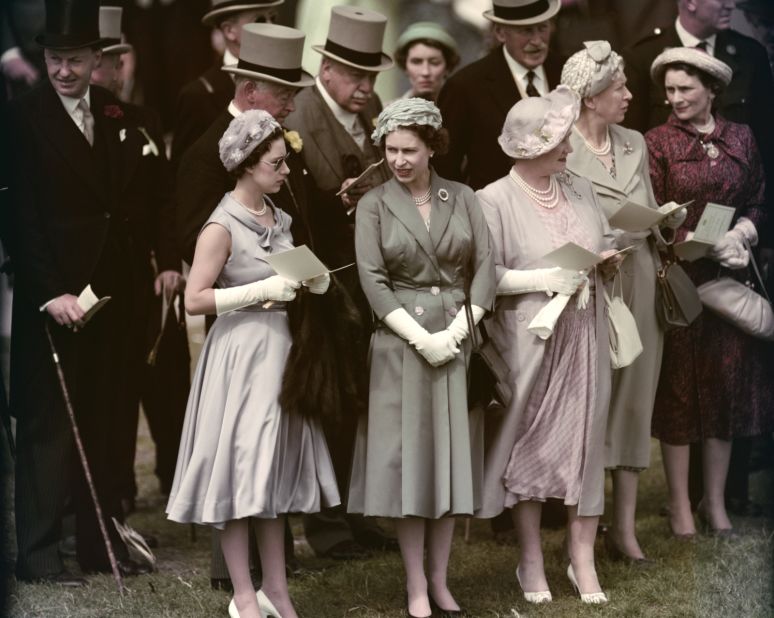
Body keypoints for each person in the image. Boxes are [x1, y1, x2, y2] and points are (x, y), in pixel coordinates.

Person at [166, 109, 339, 618]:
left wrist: (310, 279)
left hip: (282, 352)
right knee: (240, 472)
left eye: (285, 162)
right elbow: (195, 300)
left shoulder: (279, 217)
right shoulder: (219, 227)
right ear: (246, 165)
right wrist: (261, 289)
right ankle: (243, 592)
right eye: (276, 164)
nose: (286, 172)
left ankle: (277, 589)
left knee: (271, 474)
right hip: (240, 355)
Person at [6, 0, 155, 583]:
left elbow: (122, 206)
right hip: (54, 299)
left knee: (104, 422)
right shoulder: (21, 116)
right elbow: (20, 216)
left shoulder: (116, 114)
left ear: (98, 58)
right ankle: (39, 555)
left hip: (107, 301)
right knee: (47, 428)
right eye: (53, 59)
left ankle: (98, 545)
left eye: (73, 59)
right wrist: (51, 293)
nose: (63, 71)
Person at [174, 22, 315, 590]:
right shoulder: (210, 155)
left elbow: (294, 226)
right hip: (236, 332)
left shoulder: (278, 173)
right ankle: (233, 579)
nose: (289, 100)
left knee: (271, 455)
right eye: (282, 89)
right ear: (250, 86)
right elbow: (195, 246)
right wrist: (258, 281)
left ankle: (275, 578)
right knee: (234, 451)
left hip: (279, 336)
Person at [348, 97, 495, 618]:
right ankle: (414, 585)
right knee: (411, 466)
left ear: (433, 147)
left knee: (449, 463)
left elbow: (485, 268)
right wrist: (419, 337)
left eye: (409, 149)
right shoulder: (374, 204)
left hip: (456, 337)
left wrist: (456, 332)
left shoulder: (463, 197)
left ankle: (440, 579)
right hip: (401, 345)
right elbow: (372, 280)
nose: (399, 160)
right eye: (390, 150)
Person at [476, 86, 617, 605]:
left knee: (586, 442)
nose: (570, 147)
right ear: (530, 145)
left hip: (585, 330)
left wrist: (606, 259)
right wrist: (543, 278)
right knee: (531, 445)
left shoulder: (578, 187)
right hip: (531, 337)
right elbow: (484, 276)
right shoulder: (492, 199)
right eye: (559, 139)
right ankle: (530, 557)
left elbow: (597, 242)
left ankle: (581, 557)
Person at [560, 40, 685, 564]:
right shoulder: (560, 140)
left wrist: (667, 222)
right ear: (591, 98)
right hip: (589, 285)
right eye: (620, 88)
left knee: (635, 403)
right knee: (589, 406)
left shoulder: (634, 140)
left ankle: (624, 529)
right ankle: (580, 533)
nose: (631, 96)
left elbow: (649, 207)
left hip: (638, 277)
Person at [645, 47, 774, 538]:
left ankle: (714, 505)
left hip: (730, 281)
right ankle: (680, 507)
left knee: (725, 393)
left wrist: (743, 234)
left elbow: (759, 198)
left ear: (712, 91)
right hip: (680, 282)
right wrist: (687, 242)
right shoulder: (656, 141)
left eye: (685, 89)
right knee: (680, 395)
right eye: (670, 90)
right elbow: (651, 212)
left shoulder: (740, 136)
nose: (674, 98)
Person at [284, 5, 397, 560]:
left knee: (362, 399)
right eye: (354, 74)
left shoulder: (370, 108)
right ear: (325, 68)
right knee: (329, 400)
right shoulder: (300, 114)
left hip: (367, 274)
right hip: (322, 277)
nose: (365, 86)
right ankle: (327, 525)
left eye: (371, 75)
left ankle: (357, 514)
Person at [90, 3, 183, 516]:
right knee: (111, 386)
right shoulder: (79, 127)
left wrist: (169, 261)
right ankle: (114, 487)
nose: (115, 71)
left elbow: (166, 202)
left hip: (144, 272)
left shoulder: (144, 121)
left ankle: (174, 477)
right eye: (106, 61)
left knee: (163, 374)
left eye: (120, 60)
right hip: (96, 275)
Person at [435, 0, 565, 191]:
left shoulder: (566, 72)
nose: (537, 41)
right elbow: (445, 169)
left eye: (542, 28)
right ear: (500, 33)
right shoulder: (466, 86)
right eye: (526, 31)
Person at [170, 0, 284, 167]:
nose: (271, 27)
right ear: (230, 31)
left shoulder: (287, 84)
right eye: (260, 20)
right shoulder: (199, 95)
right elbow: (185, 172)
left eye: (273, 18)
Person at [394, 21, 460, 102]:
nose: (425, 72)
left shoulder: (465, 111)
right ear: (405, 66)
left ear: (447, 67)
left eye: (434, 63)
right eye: (416, 62)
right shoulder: (387, 112)